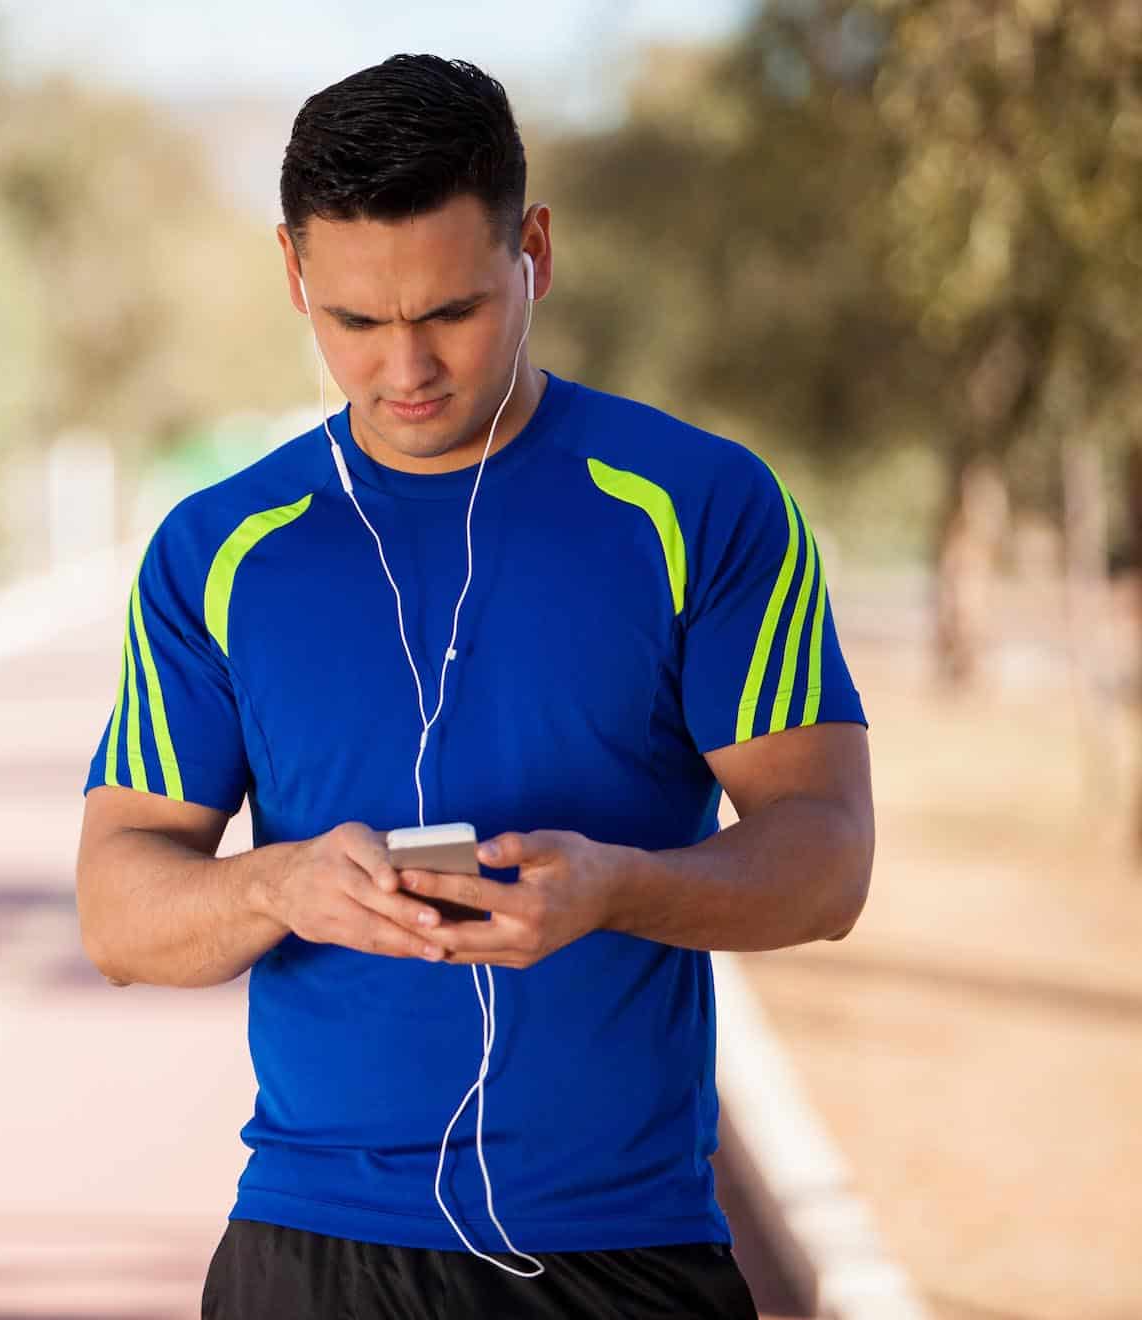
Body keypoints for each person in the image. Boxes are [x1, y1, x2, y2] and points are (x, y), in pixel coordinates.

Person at [74, 53, 872, 1320]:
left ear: (535, 252)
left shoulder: (704, 508)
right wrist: (279, 883)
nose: (405, 370)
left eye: (450, 311)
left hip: (622, 1258)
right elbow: (120, 911)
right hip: (308, 1253)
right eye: (353, 322)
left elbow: (826, 858)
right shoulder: (217, 550)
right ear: (294, 274)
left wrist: (620, 886)